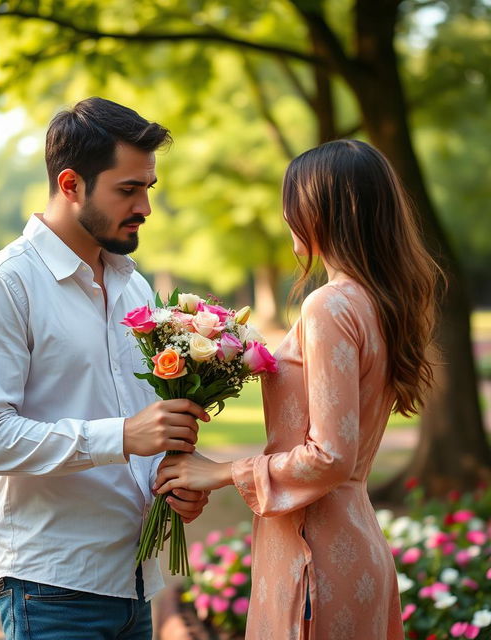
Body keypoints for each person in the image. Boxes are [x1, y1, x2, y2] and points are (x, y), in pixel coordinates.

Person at [153, 139, 442, 639]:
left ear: (322, 210)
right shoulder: (375, 302)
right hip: (343, 540)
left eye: (294, 202)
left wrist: (219, 472)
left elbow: (330, 456)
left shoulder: (328, 306)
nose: (287, 216)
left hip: (318, 555)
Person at [0, 97, 211, 640]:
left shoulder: (134, 287)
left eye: (148, 188)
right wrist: (122, 436)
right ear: (71, 185)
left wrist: (175, 478)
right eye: (128, 189)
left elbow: (136, 421)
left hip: (135, 583)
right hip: (51, 587)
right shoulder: (4, 285)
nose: (144, 207)